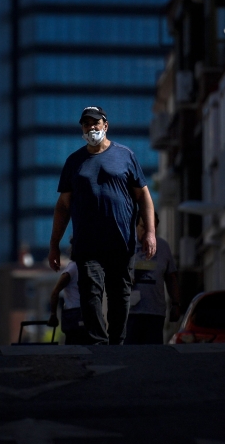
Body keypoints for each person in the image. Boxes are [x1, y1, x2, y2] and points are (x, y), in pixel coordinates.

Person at [48, 106, 155, 345]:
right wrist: (54, 244)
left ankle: (117, 341)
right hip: (87, 245)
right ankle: (98, 342)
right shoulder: (74, 162)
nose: (91, 127)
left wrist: (150, 233)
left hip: (121, 242)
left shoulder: (126, 156)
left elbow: (144, 196)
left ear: (105, 125)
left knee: (120, 295)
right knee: (90, 293)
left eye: (95, 123)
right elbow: (63, 206)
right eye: (86, 124)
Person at [125, 216, 181, 344]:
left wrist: (176, 304)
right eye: (144, 227)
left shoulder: (163, 247)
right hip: (130, 313)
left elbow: (171, 278)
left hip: (155, 313)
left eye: (152, 228)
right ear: (136, 227)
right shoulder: (126, 245)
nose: (148, 232)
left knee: (152, 354)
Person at [46, 256, 91, 345]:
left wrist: (53, 315)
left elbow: (55, 292)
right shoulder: (77, 268)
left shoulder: (74, 268)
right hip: (82, 314)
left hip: (76, 315)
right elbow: (55, 292)